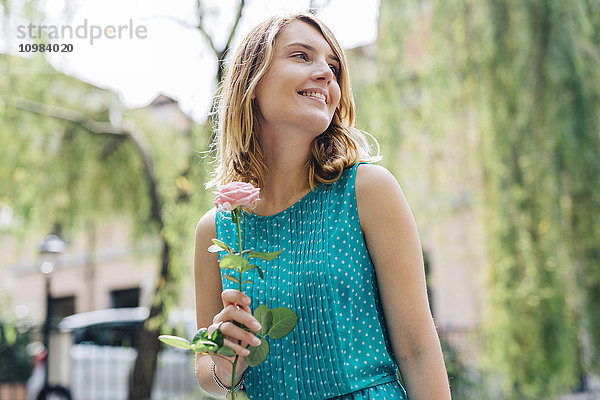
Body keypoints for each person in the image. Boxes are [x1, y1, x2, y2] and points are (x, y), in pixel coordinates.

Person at [193, 12, 451, 400]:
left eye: (333, 66)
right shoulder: (216, 230)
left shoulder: (367, 191)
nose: (326, 74)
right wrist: (228, 361)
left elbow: (417, 349)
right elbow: (209, 376)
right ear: (252, 80)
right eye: (301, 56)